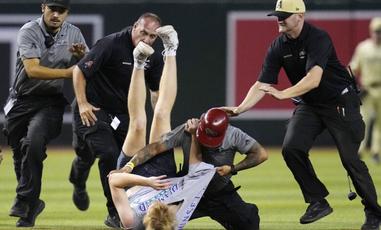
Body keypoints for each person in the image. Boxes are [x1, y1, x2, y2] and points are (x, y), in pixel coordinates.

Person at [221, 0, 381, 229]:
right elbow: (262, 83)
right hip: (310, 105)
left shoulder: (318, 38)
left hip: (339, 102)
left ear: (300, 16)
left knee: (350, 160)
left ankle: (374, 213)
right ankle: (317, 201)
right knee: (292, 148)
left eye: (284, 14)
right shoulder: (278, 45)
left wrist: (284, 93)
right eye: (277, 14)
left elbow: (313, 79)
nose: (279, 18)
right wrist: (239, 108)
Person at [69, 12, 177, 227]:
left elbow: (156, 92)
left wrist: (160, 121)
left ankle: (84, 175)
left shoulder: (153, 55)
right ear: (134, 26)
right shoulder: (111, 44)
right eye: (143, 32)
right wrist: (82, 104)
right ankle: (112, 211)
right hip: (94, 107)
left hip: (121, 113)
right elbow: (79, 72)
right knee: (106, 153)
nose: (146, 39)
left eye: (152, 36)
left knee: (129, 159)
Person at [109, 36, 216, 229]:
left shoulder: (131, 221)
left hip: (134, 178)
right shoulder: (175, 221)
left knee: (138, 123)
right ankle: (171, 49)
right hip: (164, 175)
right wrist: (193, 138)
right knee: (161, 113)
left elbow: (114, 179)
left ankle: (139, 61)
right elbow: (192, 181)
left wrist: (147, 182)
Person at [1, 0, 87, 227]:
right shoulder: (29, 30)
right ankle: (31, 206)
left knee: (34, 143)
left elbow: (89, 65)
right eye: (52, 9)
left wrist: (81, 58)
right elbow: (32, 70)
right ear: (43, 8)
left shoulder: (74, 33)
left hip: (50, 102)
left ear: (67, 13)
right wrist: (69, 72)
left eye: (62, 10)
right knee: (20, 154)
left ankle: (23, 199)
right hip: (21, 100)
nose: (56, 14)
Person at [117, 107, 268, 230]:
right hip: (186, 189)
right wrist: (129, 165)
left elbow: (260, 154)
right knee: (154, 223)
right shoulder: (188, 130)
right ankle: (117, 217)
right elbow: (155, 147)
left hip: (218, 192)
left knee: (249, 223)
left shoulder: (234, 135)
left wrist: (233, 168)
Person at [350, 17, 381, 164]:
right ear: (371, 31)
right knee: (364, 121)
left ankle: (376, 151)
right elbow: (354, 67)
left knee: (380, 124)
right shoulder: (363, 48)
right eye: (376, 31)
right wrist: (350, 84)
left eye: (380, 32)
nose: (378, 34)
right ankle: (359, 150)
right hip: (368, 89)